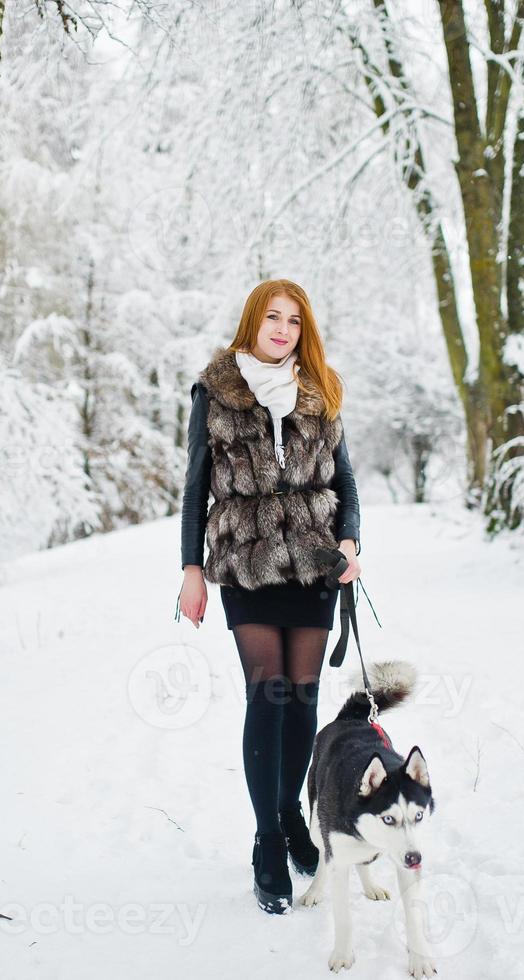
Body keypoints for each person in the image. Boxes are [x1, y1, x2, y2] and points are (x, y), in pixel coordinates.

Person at [176, 278, 362, 915]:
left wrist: (351, 543)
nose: (282, 330)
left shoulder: (321, 390)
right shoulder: (216, 391)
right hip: (247, 560)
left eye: (294, 321)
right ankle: (266, 838)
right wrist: (191, 569)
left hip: (312, 561)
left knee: (303, 696)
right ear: (252, 322)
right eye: (272, 318)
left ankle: (292, 817)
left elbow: (347, 482)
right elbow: (196, 485)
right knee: (269, 691)